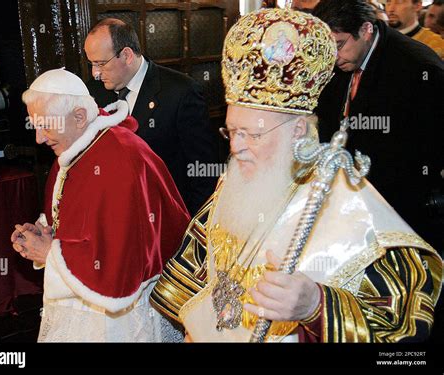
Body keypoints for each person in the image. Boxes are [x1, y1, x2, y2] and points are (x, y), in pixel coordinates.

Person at [150, 7, 442, 343]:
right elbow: (198, 269)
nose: (237, 148)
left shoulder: (349, 206)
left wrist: (316, 306)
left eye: (253, 134)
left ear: (298, 130)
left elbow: (401, 329)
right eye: (231, 132)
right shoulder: (238, 180)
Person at [11, 68, 190, 342]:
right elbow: (75, 214)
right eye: (35, 125)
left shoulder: (120, 157)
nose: (39, 138)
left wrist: (51, 253)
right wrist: (44, 231)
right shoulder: (79, 145)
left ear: (80, 116)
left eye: (46, 126)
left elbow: (117, 264)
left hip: (117, 322)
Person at [313, 0, 444, 253]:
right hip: (351, 203)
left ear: (365, 30)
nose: (334, 56)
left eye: (339, 45)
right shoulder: (341, 59)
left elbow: (429, 152)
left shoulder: (417, 68)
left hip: (401, 213)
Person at [84, 18, 218, 215]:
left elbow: (204, 170)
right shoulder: (94, 92)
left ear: (127, 55)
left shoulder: (181, 92)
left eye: (101, 63)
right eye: (91, 64)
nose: (95, 73)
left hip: (165, 219)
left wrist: (189, 231)